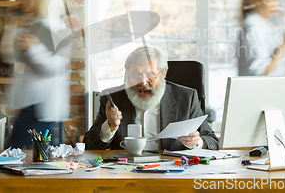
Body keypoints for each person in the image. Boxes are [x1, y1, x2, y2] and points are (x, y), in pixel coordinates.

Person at [83, 45, 219, 151]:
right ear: (126, 75)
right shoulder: (113, 99)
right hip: (126, 174)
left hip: (171, 174)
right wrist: (110, 127)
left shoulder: (186, 98)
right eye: (136, 75)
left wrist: (197, 142)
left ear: (163, 74)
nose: (143, 82)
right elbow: (90, 146)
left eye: (150, 75)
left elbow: (213, 142)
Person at [0, 0, 70, 149]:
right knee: (44, 163)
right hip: (31, 105)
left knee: (11, 156)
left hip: (40, 107)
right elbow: (7, 55)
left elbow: (57, 67)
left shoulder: (53, 26)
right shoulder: (31, 25)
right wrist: (12, 26)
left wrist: (31, 49)